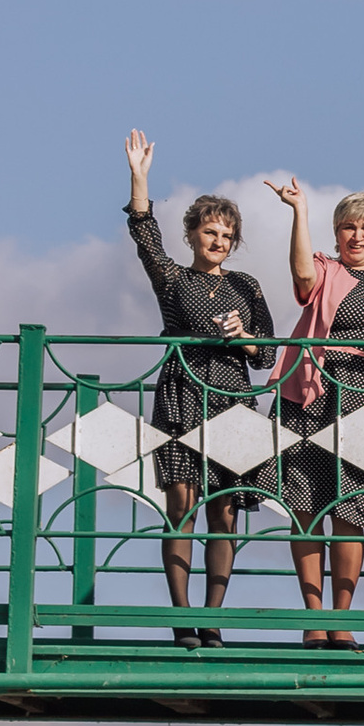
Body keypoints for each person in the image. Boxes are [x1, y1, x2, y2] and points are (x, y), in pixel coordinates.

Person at [122, 130, 275, 639]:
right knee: (181, 507)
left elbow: (270, 354)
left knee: (224, 511)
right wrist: (140, 179)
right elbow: (144, 236)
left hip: (232, 397)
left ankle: (212, 618)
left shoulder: (246, 285)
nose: (218, 242)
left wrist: (247, 339)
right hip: (183, 393)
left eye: (227, 235)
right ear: (191, 235)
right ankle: (182, 616)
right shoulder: (172, 279)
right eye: (210, 232)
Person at [266, 178, 364, 647]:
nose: (357, 236)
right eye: (347, 227)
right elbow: (302, 276)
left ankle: (340, 619)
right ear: (335, 234)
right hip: (313, 396)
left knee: (351, 510)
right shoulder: (325, 270)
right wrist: (299, 211)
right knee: (307, 509)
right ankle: (313, 618)